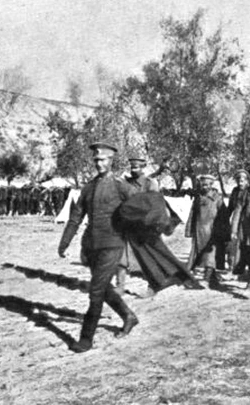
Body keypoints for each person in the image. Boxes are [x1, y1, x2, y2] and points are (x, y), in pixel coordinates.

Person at [57, 142, 138, 353]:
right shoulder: (88, 188)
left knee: (95, 291)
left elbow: (140, 208)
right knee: (102, 287)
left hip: (112, 244)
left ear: (111, 161)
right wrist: (64, 243)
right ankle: (128, 316)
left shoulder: (121, 186)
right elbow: (75, 218)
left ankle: (85, 339)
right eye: (96, 160)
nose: (99, 164)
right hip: (92, 245)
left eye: (103, 160)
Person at [118, 156, 160, 295]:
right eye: (132, 167)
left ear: (143, 167)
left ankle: (152, 287)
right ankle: (120, 286)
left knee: (146, 257)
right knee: (121, 255)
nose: (134, 169)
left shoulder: (150, 183)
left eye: (137, 167)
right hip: (126, 223)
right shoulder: (125, 183)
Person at [185, 174, 228, 288]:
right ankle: (206, 275)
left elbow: (223, 215)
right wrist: (189, 229)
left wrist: (224, 230)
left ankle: (207, 277)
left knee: (210, 253)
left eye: (207, 185)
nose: (204, 187)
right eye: (202, 184)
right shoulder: (198, 197)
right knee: (197, 254)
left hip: (212, 230)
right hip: (199, 230)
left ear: (211, 185)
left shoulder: (217, 197)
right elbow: (192, 214)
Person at [227, 169, 249, 275]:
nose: (240, 182)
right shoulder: (235, 191)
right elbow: (231, 207)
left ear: (246, 181)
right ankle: (235, 268)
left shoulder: (249, 191)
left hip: (248, 221)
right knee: (235, 244)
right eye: (238, 180)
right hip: (237, 220)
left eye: (243, 180)